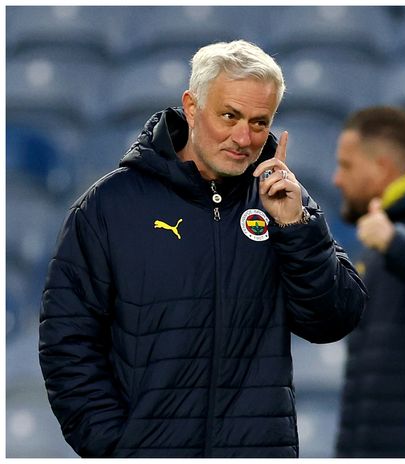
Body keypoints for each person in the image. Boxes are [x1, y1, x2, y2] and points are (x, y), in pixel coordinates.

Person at [39, 40, 367, 458]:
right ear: (192, 107)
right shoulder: (110, 206)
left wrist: (295, 226)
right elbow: (66, 341)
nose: (243, 137)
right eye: (229, 115)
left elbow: (335, 319)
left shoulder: (284, 203)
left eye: (259, 122)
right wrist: (115, 446)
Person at [331, 106, 405, 457]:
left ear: (382, 168)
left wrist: (396, 244)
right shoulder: (379, 231)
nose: (336, 178)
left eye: (346, 165)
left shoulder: (400, 227)